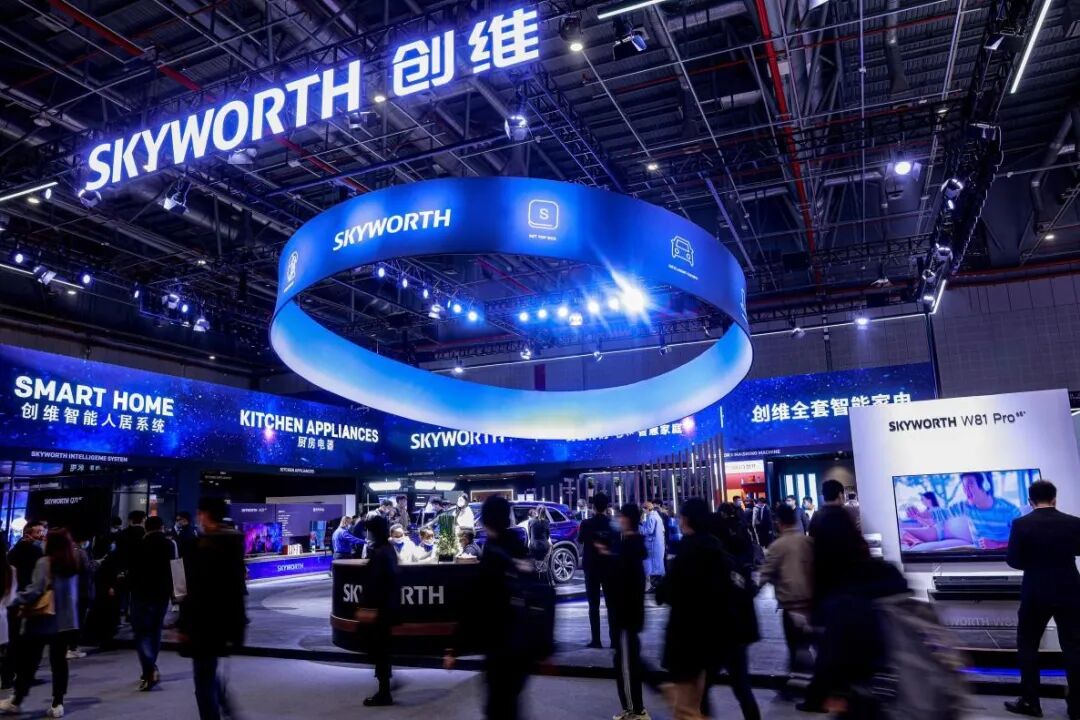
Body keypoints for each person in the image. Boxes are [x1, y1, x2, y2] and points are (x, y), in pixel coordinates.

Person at [658, 498, 752, 720]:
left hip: (689, 639)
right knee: (704, 700)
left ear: (687, 519)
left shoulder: (688, 551)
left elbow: (667, 592)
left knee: (687, 707)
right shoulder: (717, 549)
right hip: (715, 638)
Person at [446, 496, 534, 720]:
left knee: (498, 706)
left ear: (485, 520)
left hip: (499, 643)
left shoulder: (492, 554)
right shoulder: (519, 546)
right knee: (511, 703)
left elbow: (475, 602)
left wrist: (454, 648)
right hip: (523, 641)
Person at [1005, 480, 1080, 719]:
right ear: (1054, 499)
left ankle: (1031, 703)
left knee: (1028, 645)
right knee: (1074, 647)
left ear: (1030, 501)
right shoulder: (1074, 522)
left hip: (1035, 591)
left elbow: (1013, 560)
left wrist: (1034, 564)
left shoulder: (1020, 524)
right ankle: (1077, 707)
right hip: (1070, 589)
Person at [178, 497, 247, 720]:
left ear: (205, 515)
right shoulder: (234, 544)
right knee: (208, 671)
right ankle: (226, 709)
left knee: (203, 678)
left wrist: (183, 624)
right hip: (225, 621)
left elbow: (188, 590)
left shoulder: (197, 547)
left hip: (201, 623)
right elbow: (238, 589)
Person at [1, 529, 81, 717]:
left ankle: (17, 700)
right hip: (66, 621)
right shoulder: (72, 563)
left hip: (43, 619)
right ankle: (57, 703)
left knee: (29, 661)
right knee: (59, 663)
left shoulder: (45, 562)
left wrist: (15, 599)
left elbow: (36, 590)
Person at [704, 504, 761, 720]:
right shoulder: (738, 554)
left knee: (703, 687)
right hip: (738, 632)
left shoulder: (717, 561)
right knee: (742, 687)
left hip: (720, 633)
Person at [760, 503, 814, 692]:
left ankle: (801, 685)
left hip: (791, 605)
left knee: (795, 647)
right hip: (811, 604)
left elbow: (765, 575)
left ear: (779, 522)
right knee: (805, 645)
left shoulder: (777, 546)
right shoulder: (808, 542)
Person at [903, 472, 1021, 551]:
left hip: (1004, 558)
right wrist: (918, 513)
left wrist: (997, 545)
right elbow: (939, 513)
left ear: (985, 485)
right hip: (977, 558)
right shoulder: (965, 506)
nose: (966, 491)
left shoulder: (1010, 510)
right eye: (964, 487)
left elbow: (1024, 541)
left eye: (970, 485)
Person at [609, 503, 649, 720]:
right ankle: (634, 708)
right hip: (630, 615)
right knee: (629, 662)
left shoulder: (628, 549)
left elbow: (625, 584)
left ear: (627, 519)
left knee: (626, 665)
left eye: (621, 516)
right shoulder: (631, 545)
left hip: (625, 616)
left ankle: (635, 710)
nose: (618, 520)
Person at [129, 516, 177, 691]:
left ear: (145, 527)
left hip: (140, 594)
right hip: (161, 594)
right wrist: (178, 595)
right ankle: (149, 669)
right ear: (162, 527)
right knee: (155, 631)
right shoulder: (170, 544)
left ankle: (149, 669)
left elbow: (131, 570)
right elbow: (176, 568)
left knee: (141, 634)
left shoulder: (138, 544)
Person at [361, 515, 399, 706]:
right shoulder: (388, 549)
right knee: (383, 650)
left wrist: (369, 608)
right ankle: (385, 688)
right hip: (388, 608)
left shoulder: (379, 552)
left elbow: (375, 583)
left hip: (380, 610)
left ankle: (384, 693)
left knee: (380, 650)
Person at [2, 522, 44, 690]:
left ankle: (7, 676)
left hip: (12, 599)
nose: (41, 535)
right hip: (27, 598)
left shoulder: (13, 552)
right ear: (28, 534)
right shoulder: (36, 552)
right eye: (38, 532)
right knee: (26, 640)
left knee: (12, 640)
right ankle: (22, 675)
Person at [579, 492, 619, 649]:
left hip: (591, 567)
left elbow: (580, 540)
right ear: (607, 506)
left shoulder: (586, 524)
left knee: (593, 605)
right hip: (609, 567)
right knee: (612, 605)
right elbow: (616, 543)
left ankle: (596, 640)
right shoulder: (613, 524)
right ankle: (614, 640)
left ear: (593, 506)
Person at [642, 500, 666, 591]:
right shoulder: (657, 516)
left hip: (653, 545)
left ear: (647, 509)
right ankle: (657, 586)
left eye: (644, 509)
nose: (644, 512)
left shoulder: (652, 517)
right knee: (658, 565)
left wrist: (640, 528)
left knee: (653, 566)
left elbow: (649, 530)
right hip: (658, 544)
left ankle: (655, 586)